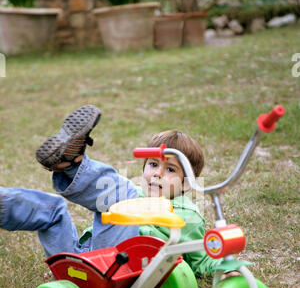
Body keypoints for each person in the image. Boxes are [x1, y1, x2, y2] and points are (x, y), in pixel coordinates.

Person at [0, 104, 220, 277]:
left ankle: (72, 163)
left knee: (122, 193)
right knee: (53, 210)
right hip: (86, 259)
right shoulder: (134, 192)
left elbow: (199, 258)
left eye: (170, 169)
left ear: (186, 183)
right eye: (153, 165)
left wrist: (225, 266)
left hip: (120, 262)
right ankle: (5, 203)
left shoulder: (188, 214)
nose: (157, 174)